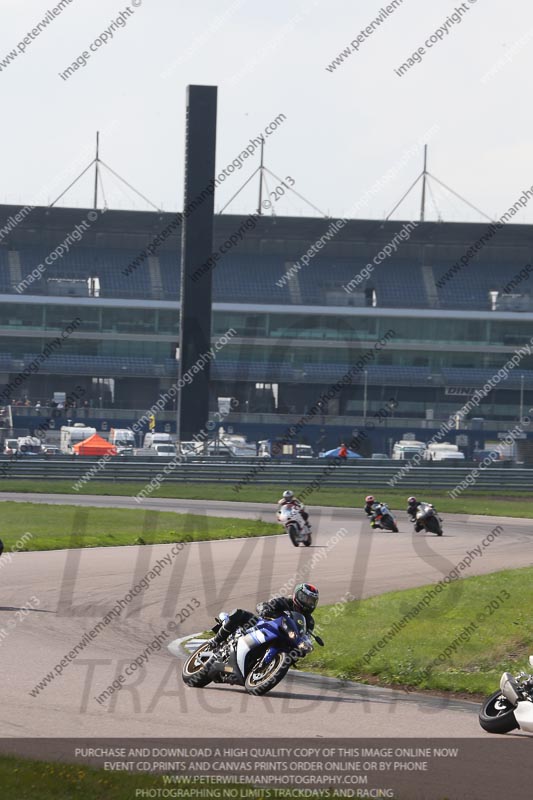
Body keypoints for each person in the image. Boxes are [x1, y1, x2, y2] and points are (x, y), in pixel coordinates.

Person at [209, 583, 319, 647]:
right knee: (239, 613)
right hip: (263, 624)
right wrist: (265, 610)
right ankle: (216, 640)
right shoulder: (285, 602)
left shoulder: (309, 621)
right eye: (306, 599)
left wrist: (305, 645)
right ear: (298, 595)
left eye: (312, 601)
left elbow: (306, 636)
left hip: (283, 638)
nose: (308, 603)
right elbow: (263, 605)